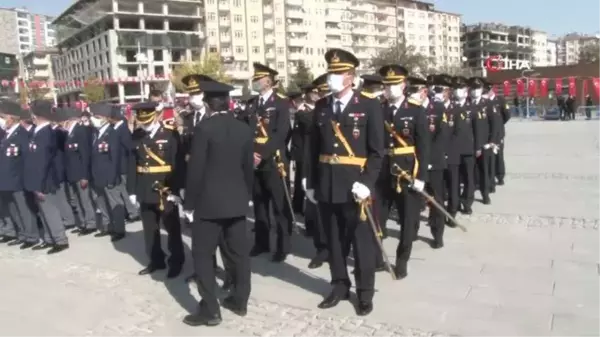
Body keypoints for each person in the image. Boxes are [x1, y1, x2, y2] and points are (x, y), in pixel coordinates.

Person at [305, 48, 384, 316]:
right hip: (327, 184)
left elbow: (377, 151)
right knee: (335, 243)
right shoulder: (322, 106)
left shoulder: (369, 105)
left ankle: (364, 293)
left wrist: (368, 182)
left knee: (361, 244)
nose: (332, 78)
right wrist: (310, 182)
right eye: (330, 72)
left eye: (338, 73)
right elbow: (313, 148)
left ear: (350, 77)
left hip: (355, 187)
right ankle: (339, 286)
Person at [182, 79, 253, 327]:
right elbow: (248, 169)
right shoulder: (243, 128)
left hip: (208, 204)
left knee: (202, 255)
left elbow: (196, 170)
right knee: (239, 254)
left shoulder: (204, 129)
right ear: (227, 101)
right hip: (237, 201)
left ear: (208, 104)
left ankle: (210, 309)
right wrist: (248, 196)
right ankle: (240, 300)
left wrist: (188, 203)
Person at [127, 101, 185, 278]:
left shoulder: (169, 134)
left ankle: (176, 261)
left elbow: (178, 164)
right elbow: (131, 164)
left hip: (164, 188)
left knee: (172, 228)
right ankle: (156, 260)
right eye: (141, 119)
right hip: (144, 187)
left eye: (147, 119)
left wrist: (177, 190)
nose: (144, 123)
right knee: (150, 229)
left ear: (157, 116)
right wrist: (132, 190)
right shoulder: (137, 135)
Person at [245, 62, 293, 262]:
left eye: (258, 79)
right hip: (255, 161)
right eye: (254, 78)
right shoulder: (253, 104)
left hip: (274, 160)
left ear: (268, 81)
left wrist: (261, 154)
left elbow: (282, 133)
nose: (255, 82)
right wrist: (251, 154)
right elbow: (248, 133)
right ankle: (262, 242)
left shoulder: (281, 102)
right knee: (259, 204)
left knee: (279, 206)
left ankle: (283, 246)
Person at [24, 100, 69, 254]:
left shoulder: (45, 133)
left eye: (33, 114)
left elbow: (42, 161)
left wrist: (39, 184)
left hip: (44, 180)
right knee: (43, 211)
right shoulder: (38, 131)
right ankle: (50, 239)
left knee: (50, 210)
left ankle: (60, 240)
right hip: (38, 178)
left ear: (38, 116)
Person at [0, 100, 39, 247]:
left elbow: (27, 158)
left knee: (24, 209)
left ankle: (31, 236)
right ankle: (22, 234)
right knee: (14, 209)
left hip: (18, 179)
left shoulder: (21, 134)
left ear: (11, 118)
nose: (3, 121)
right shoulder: (7, 135)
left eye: (3, 117)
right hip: (7, 180)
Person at [88, 103, 126, 242]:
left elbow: (115, 157)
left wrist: (112, 177)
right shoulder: (95, 133)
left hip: (109, 176)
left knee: (115, 203)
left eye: (97, 117)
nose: (94, 119)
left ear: (105, 118)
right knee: (101, 202)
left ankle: (119, 229)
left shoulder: (112, 133)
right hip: (97, 175)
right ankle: (107, 226)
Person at [62, 106, 97, 235]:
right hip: (72, 173)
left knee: (85, 200)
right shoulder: (69, 133)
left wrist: (84, 175)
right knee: (76, 200)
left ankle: (91, 223)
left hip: (80, 173)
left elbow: (85, 154)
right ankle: (83, 223)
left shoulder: (80, 131)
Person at [426, 74, 451, 248]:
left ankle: (437, 233)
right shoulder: (413, 106)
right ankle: (410, 231)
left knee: (436, 199)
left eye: (439, 88)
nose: (435, 91)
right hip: (411, 161)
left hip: (433, 161)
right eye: (433, 87)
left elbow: (441, 137)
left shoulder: (439, 109)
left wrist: (429, 158)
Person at [110, 103, 139, 222]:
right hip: (119, 165)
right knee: (122, 190)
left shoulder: (122, 128)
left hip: (124, 164)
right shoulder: (116, 128)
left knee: (126, 190)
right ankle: (130, 211)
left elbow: (129, 146)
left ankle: (134, 212)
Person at [452, 76, 476, 214]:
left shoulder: (472, 108)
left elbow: (478, 130)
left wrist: (478, 147)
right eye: (455, 88)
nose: (457, 91)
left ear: (466, 91)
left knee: (468, 178)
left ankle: (467, 202)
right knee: (454, 179)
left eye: (460, 88)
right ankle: (454, 202)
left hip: (468, 149)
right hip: (453, 150)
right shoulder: (449, 107)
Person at [468, 77, 492, 205]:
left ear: (482, 89)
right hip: (468, 145)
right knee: (469, 173)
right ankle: (469, 197)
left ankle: (485, 194)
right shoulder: (466, 104)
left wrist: (492, 141)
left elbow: (495, 124)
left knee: (484, 171)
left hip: (483, 144)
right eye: (473, 88)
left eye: (477, 88)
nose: (475, 91)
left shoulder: (487, 104)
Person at [483, 81, 509, 189]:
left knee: (498, 155)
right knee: (490, 157)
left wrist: (499, 123)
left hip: (498, 133)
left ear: (491, 90)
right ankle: (490, 177)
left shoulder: (500, 100)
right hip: (487, 133)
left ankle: (500, 176)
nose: (486, 93)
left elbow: (507, 115)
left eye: (487, 91)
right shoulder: (484, 101)